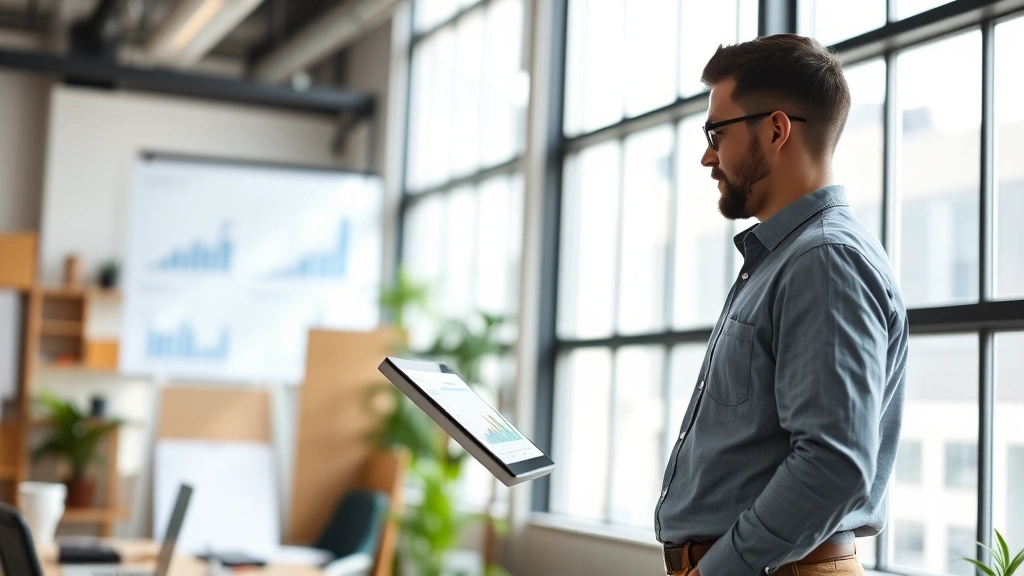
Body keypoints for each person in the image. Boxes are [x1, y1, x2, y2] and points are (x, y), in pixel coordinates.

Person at [655, 34, 908, 576]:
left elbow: (834, 464)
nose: (706, 155)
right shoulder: (789, 258)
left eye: (715, 132)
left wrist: (718, 570)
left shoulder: (824, 260)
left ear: (775, 129)